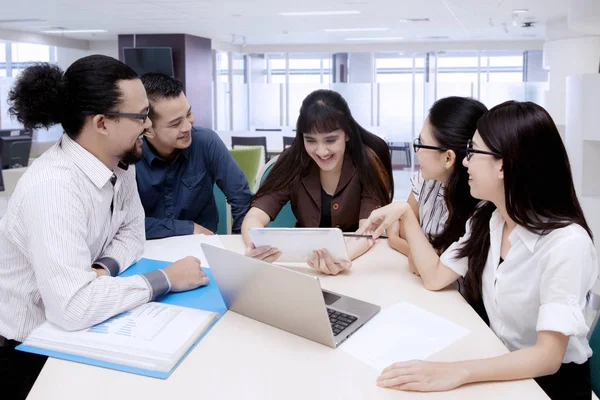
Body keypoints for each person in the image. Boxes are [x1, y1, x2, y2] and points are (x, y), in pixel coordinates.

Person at [0, 56, 209, 399]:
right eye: (142, 116)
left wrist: (102, 268)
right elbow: (73, 307)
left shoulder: (119, 161)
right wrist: (166, 279)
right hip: (29, 352)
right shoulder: (54, 188)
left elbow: (132, 231)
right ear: (101, 123)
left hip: (74, 335)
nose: (149, 127)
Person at [360, 101, 596, 399]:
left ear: (504, 164)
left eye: (473, 152)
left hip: (547, 385)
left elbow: (547, 357)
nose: (465, 162)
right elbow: (434, 276)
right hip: (499, 365)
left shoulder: (566, 244)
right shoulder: (489, 218)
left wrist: (458, 371)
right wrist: (406, 214)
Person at [241, 89, 393, 275]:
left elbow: (368, 231)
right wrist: (255, 248)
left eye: (330, 140)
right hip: (303, 266)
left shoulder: (367, 161)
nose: (321, 151)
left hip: (357, 262)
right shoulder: (294, 160)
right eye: (311, 140)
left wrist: (341, 258)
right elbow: (254, 217)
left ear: (347, 134)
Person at [135, 73, 252, 239]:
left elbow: (241, 198)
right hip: (146, 248)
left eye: (188, 114)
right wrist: (186, 228)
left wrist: (238, 244)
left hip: (202, 246)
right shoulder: (130, 156)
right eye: (175, 124)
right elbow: (123, 224)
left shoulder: (206, 142)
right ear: (148, 129)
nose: (187, 126)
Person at [388, 97, 487, 274]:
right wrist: (413, 250)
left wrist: (403, 244)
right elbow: (404, 230)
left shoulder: (482, 208)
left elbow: (437, 268)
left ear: (448, 158)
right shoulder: (425, 180)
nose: (416, 151)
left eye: (422, 144)